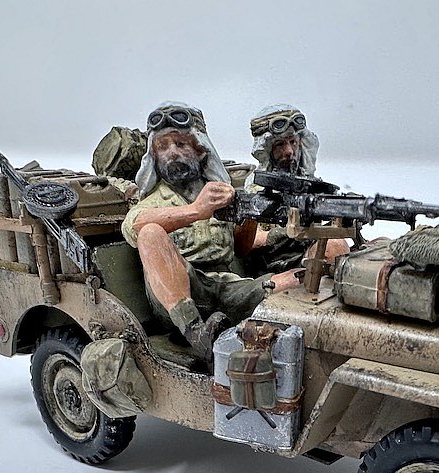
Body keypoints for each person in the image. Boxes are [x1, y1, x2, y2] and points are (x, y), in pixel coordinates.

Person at [121, 102, 301, 361]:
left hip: (227, 287)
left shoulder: (218, 191)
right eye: (163, 146)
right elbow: (133, 226)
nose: (172, 153)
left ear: (200, 149)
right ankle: (196, 334)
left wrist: (249, 213)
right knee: (150, 233)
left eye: (181, 144)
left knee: (299, 280)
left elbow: (241, 249)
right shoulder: (154, 201)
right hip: (181, 295)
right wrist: (196, 210)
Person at [244, 104, 349, 274]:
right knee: (333, 247)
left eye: (293, 142)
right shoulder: (256, 189)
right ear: (267, 150)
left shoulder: (309, 185)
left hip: (307, 251)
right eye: (280, 145)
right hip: (273, 263)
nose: (289, 151)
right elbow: (246, 242)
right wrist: (283, 233)